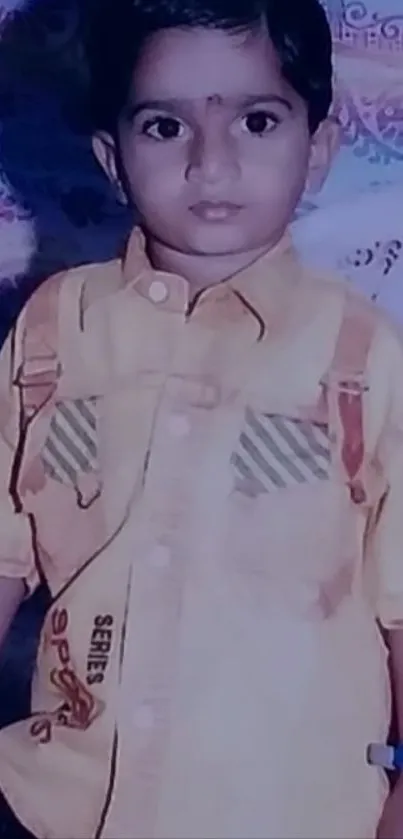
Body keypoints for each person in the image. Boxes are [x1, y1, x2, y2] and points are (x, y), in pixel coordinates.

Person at [0, 0, 402, 836]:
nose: (211, 165)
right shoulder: (53, 331)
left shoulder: (360, 356)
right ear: (112, 159)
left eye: (256, 120)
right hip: (58, 808)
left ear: (319, 148)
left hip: (291, 811)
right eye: (163, 127)